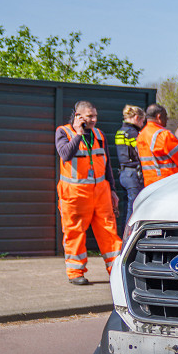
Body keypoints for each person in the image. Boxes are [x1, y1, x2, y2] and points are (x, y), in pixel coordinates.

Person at [55, 101, 122, 285]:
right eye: (90, 116)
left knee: (109, 232)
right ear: (78, 116)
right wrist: (78, 134)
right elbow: (65, 154)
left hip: (101, 192)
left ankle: (116, 271)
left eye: (95, 116)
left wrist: (113, 191)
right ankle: (75, 272)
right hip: (74, 193)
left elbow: (107, 165)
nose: (94, 120)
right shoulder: (63, 132)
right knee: (74, 232)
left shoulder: (99, 134)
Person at [137, 104, 178, 186]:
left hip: (149, 184)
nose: (167, 119)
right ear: (159, 117)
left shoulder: (141, 136)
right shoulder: (164, 135)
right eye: (165, 116)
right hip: (168, 183)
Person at [115, 105, 146, 226]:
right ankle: (130, 234)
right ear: (137, 118)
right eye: (142, 121)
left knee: (127, 208)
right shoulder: (133, 133)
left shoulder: (120, 131)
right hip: (133, 174)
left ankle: (124, 233)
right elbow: (140, 152)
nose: (142, 124)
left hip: (123, 174)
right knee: (134, 208)